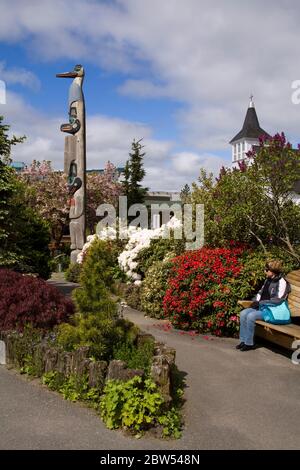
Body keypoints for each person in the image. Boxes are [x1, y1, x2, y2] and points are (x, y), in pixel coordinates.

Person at [236, 259, 291, 351]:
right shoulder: (268, 280)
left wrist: (260, 303)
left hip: (272, 310)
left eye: (266, 270)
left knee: (251, 316)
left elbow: (278, 300)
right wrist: (255, 301)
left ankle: (249, 343)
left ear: (273, 271)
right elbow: (260, 293)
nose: (265, 271)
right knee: (243, 313)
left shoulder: (282, 282)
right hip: (262, 307)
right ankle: (243, 341)